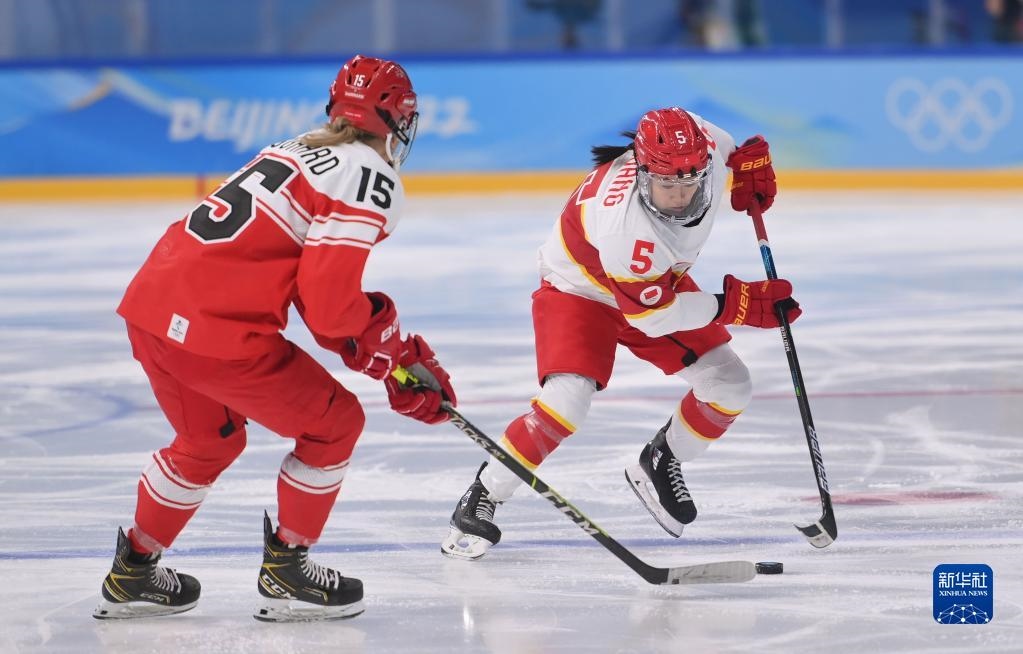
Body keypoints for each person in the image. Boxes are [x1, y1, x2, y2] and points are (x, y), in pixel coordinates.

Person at [93, 54, 456, 622]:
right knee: (335, 423)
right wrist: (388, 351)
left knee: (207, 442)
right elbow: (331, 308)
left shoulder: (294, 148)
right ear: (395, 119)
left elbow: (315, 295)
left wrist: (386, 355)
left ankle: (133, 570)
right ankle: (288, 567)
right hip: (215, 329)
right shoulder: (367, 174)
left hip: (152, 307)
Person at [441, 106, 799, 560]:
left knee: (730, 385)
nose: (680, 195)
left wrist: (742, 161)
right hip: (579, 291)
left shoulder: (699, 152)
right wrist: (734, 305)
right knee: (566, 402)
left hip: (652, 286)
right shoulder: (625, 229)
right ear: (643, 172)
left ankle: (661, 459)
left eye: (690, 182)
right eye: (666, 185)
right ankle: (483, 494)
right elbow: (653, 318)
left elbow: (711, 134)